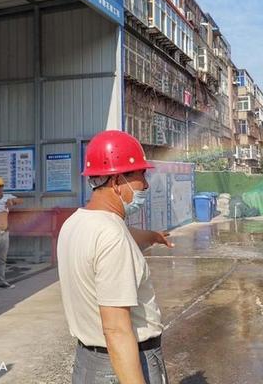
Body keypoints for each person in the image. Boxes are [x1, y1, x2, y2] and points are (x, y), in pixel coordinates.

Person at [57, 130, 174, 384]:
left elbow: (123, 235)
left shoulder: (75, 224)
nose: (146, 184)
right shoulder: (112, 236)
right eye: (141, 175)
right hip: (124, 364)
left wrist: (154, 236)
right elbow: (116, 330)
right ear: (117, 181)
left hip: (88, 364)